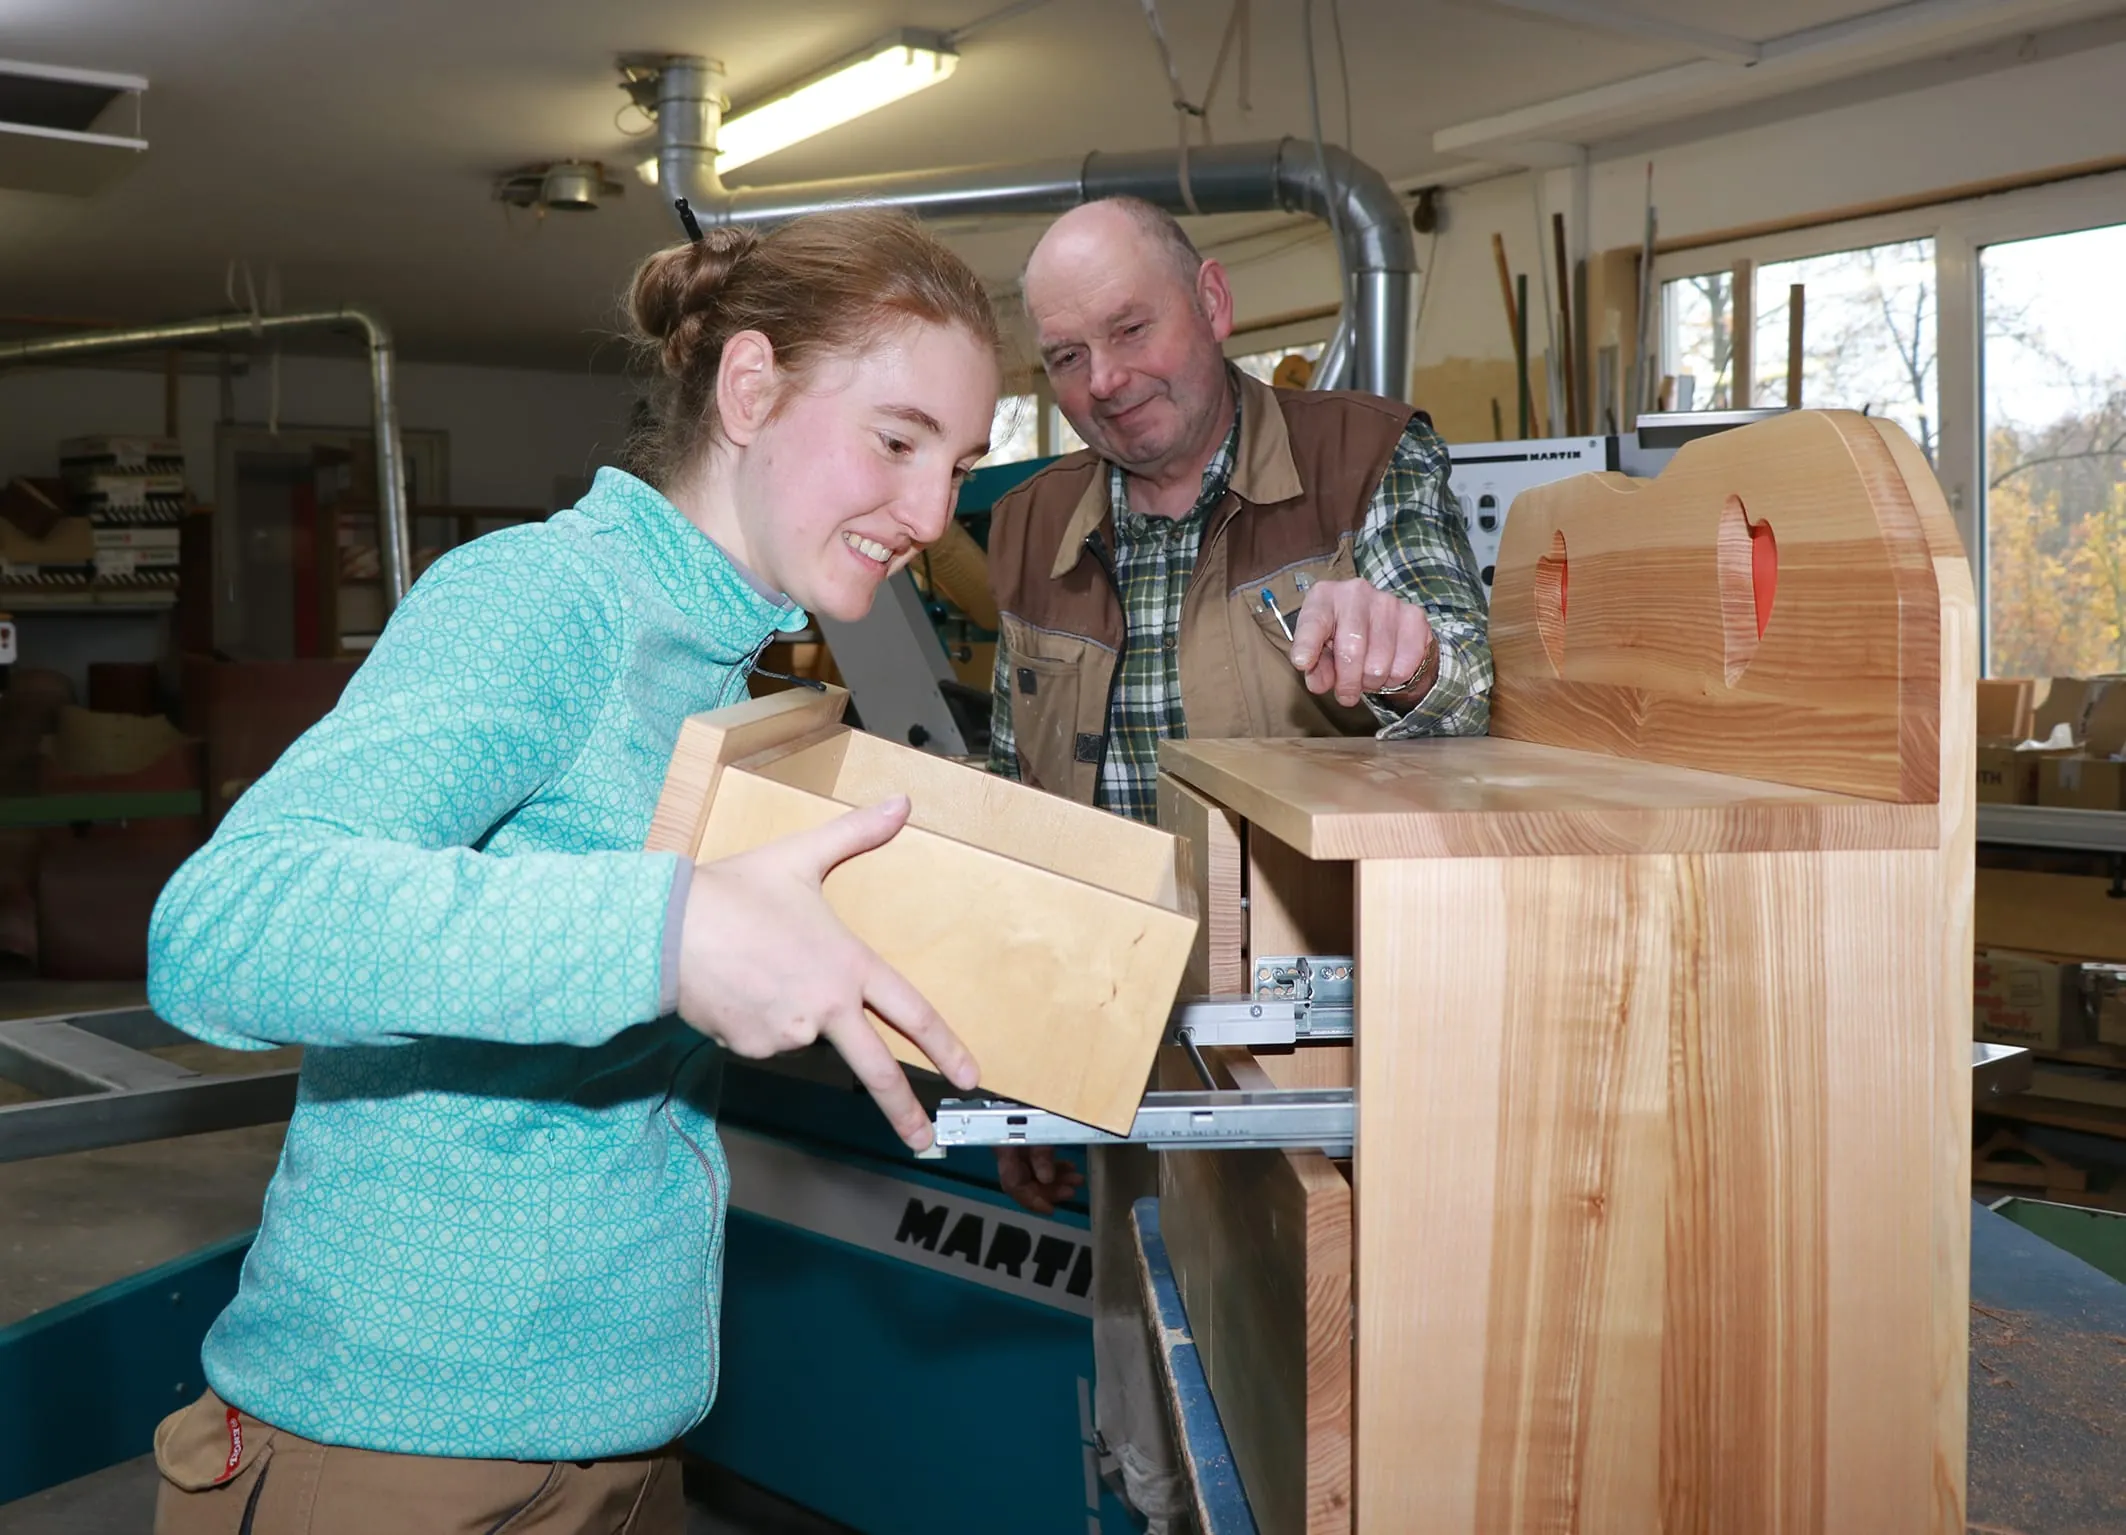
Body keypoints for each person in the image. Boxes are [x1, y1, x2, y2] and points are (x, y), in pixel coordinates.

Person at [144, 207, 1001, 1535]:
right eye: (897, 440)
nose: (934, 512)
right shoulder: (551, 599)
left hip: (618, 1436)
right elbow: (225, 926)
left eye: (960, 465)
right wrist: (669, 932)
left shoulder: (719, 663)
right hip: (395, 1444)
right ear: (750, 386)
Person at [983, 197, 1493, 1530]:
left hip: (1335, 1065)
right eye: (1064, 357)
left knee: (1334, 1428)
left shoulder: (1362, 457)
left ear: (1212, 303)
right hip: (1127, 1059)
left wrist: (1408, 654)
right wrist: (1019, 1057)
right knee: (1161, 1430)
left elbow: (1470, 688)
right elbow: (1013, 808)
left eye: (1131, 327)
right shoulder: (1030, 525)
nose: (1103, 380)